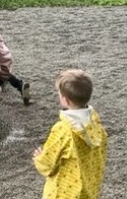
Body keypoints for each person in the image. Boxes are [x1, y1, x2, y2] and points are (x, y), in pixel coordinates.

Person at [33, 69, 107, 199]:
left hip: (64, 192)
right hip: (89, 189)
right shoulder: (95, 122)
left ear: (65, 100)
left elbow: (48, 166)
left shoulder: (63, 130)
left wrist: (39, 158)